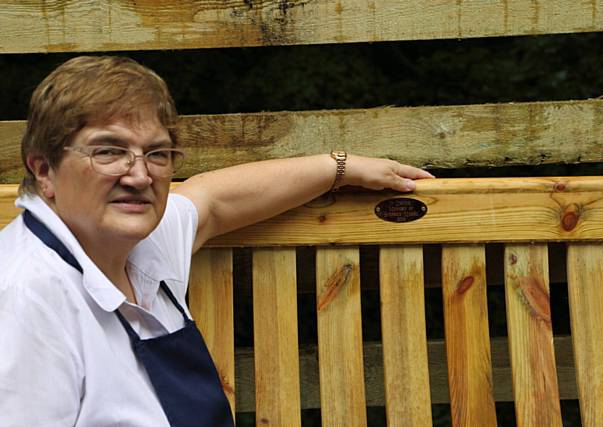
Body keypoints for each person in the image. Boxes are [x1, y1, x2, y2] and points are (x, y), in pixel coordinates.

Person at [0, 56, 434, 427]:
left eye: (157, 153)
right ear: (43, 169)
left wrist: (341, 167)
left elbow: (214, 199)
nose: (138, 175)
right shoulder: (24, 300)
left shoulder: (131, 241)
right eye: (108, 151)